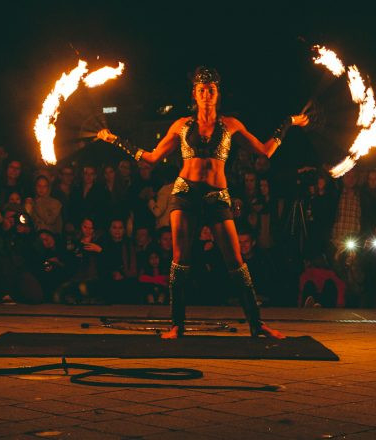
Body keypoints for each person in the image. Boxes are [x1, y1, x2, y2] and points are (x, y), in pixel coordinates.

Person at [97, 66, 308, 338]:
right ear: (194, 94)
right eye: (201, 90)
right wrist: (115, 140)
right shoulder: (181, 125)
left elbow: (265, 151)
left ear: (217, 93)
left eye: (211, 90)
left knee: (236, 261)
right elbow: (151, 157)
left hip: (217, 197)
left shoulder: (231, 124)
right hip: (184, 193)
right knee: (180, 260)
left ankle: (257, 325)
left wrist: (289, 122)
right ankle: (176, 325)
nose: (206, 94)